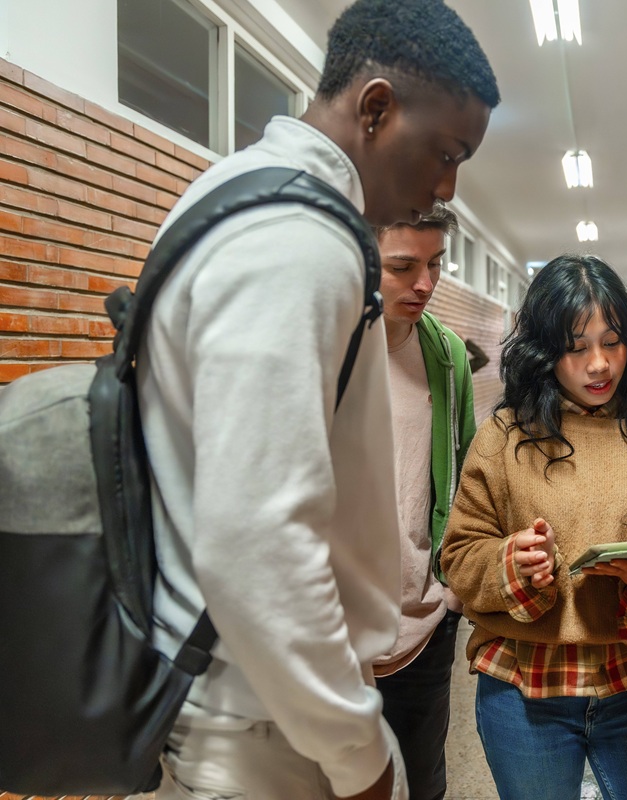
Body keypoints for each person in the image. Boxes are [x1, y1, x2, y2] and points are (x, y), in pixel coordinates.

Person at [138, 1, 498, 798]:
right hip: (267, 719)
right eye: (444, 152)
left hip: (266, 703)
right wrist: (355, 751)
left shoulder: (240, 195)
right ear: (375, 108)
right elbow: (257, 537)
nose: (445, 185)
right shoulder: (296, 240)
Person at [440, 254, 627, 800]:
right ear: (546, 352)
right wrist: (510, 565)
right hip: (523, 690)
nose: (599, 365)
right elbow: (459, 554)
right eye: (576, 347)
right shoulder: (502, 436)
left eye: (612, 342)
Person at [371, 205, 476, 800]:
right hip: (328, 634)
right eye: (404, 266)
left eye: (436, 264)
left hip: (421, 626)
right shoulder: (321, 349)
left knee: (421, 784)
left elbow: (459, 477)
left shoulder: (447, 357)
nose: (426, 284)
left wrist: (450, 595)